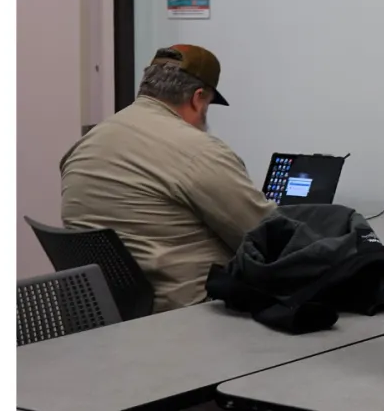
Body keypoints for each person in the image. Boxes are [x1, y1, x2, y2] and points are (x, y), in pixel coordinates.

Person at [59, 45, 276, 313]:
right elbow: (266, 237)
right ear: (198, 98)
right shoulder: (196, 151)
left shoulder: (86, 145)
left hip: (107, 318)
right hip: (190, 315)